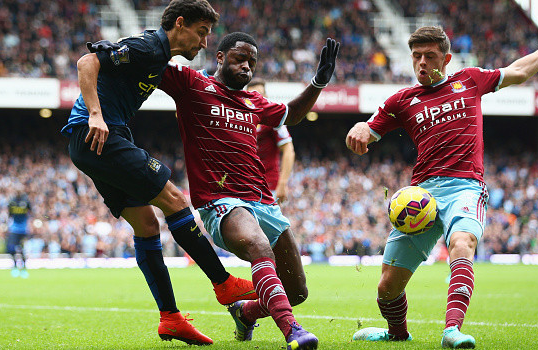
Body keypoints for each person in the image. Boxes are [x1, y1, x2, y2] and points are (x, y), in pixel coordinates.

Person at [346, 15, 538, 349]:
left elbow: (519, 71)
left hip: (465, 186)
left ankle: (452, 331)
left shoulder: (471, 80)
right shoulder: (401, 101)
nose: (421, 62)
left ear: (446, 59)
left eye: (429, 56)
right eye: (416, 55)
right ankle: (396, 333)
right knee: (386, 287)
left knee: (462, 243)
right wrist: (361, 128)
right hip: (419, 196)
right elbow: (371, 129)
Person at [60, 0, 256, 345]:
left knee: (147, 224)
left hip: (96, 141)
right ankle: (223, 283)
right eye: (202, 32)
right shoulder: (149, 46)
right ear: (179, 24)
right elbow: (87, 61)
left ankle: (171, 318)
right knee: (175, 199)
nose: (205, 42)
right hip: (97, 134)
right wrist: (95, 114)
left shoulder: (159, 57)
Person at [158, 32, 339, 350]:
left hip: (263, 201)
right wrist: (123, 51)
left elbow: (292, 115)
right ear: (220, 57)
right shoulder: (193, 84)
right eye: (240, 58)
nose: (246, 66)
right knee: (258, 246)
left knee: (296, 291)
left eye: (252, 62)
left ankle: (245, 311)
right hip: (220, 200)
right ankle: (292, 332)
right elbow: (154, 64)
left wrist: (318, 83)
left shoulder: (254, 102)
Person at [247, 78, 296, 204]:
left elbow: (289, 150)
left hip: (269, 187)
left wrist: (283, 183)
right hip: (246, 187)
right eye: (251, 95)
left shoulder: (274, 119)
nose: (255, 98)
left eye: (259, 95)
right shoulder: (242, 120)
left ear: (265, 97)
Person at [6, 190, 31, 279]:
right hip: (14, 229)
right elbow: (9, 215)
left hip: (23, 230)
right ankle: (15, 266)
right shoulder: (12, 203)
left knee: (23, 250)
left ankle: (24, 268)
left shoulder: (26, 202)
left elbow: (30, 212)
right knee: (12, 249)